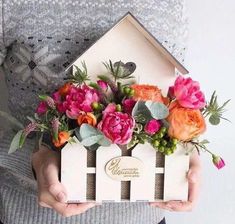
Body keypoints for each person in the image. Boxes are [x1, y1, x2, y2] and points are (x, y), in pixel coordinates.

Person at [0, 0, 201, 223]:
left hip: (144, 218)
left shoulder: (171, 6)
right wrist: (32, 160)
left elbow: (169, 101)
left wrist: (185, 152)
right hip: (29, 215)